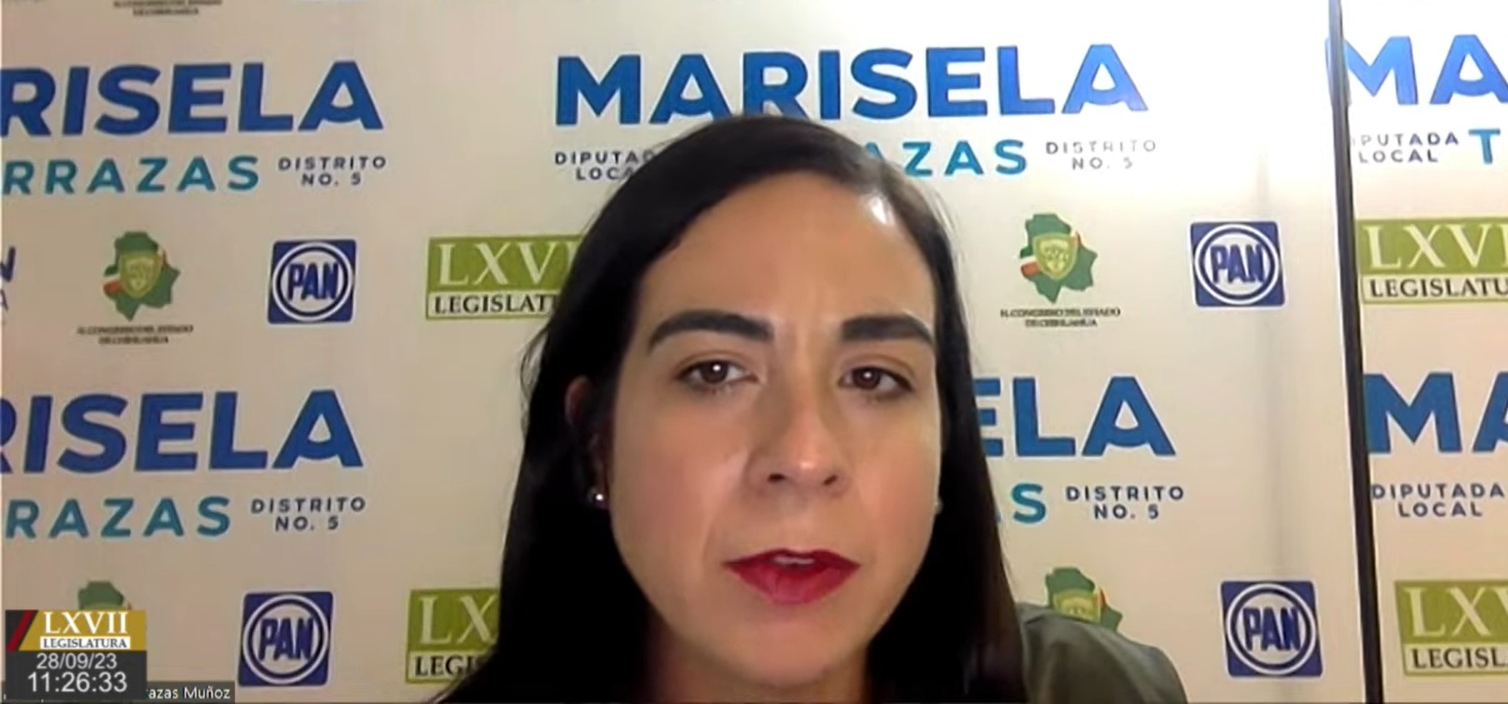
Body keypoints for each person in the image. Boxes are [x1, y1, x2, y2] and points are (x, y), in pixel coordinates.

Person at [442, 115, 1187, 703]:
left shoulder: (1095, 689)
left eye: (873, 378)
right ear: (595, 441)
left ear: (945, 440)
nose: (804, 457)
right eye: (715, 372)